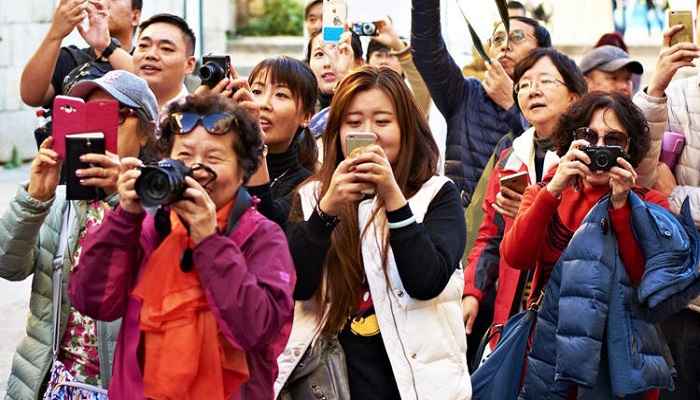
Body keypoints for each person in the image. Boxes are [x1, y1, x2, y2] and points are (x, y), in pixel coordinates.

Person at [68, 95, 296, 400]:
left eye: (214, 159)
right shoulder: (149, 227)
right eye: (184, 157)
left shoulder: (263, 237)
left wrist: (209, 242)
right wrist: (125, 217)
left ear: (244, 172)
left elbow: (258, 331)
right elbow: (93, 302)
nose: (196, 170)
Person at [277, 66, 470, 399]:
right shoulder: (312, 197)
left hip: (418, 386)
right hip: (335, 382)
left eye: (382, 122)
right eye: (354, 123)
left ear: (407, 128)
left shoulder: (437, 194)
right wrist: (326, 211)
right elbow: (297, 285)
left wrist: (393, 197)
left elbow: (426, 281)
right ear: (336, 132)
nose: (369, 133)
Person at [502, 92, 674, 399]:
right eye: (588, 136)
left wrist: (622, 207)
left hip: (620, 361)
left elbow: (648, 283)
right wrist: (553, 189)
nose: (598, 148)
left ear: (629, 147)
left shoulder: (650, 204)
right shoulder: (545, 192)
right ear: (570, 142)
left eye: (613, 140)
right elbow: (516, 256)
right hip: (551, 354)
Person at [0, 70, 158, 400]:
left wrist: (122, 194)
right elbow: (8, 265)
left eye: (115, 116)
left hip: (121, 387)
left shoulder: (159, 209)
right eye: (87, 116)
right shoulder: (61, 203)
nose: (99, 130)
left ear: (147, 133)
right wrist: (34, 199)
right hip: (50, 382)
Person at [462, 49, 587, 351]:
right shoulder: (510, 153)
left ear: (573, 96)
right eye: (525, 84)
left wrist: (531, 216)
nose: (533, 91)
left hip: (569, 305)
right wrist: (472, 292)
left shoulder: (585, 152)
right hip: (513, 305)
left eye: (545, 81)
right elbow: (490, 234)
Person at [412, 0, 552, 206]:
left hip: (524, 222)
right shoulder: (466, 93)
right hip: (468, 225)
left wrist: (512, 105)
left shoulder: (555, 99)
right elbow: (427, 51)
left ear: (542, 51)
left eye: (517, 37)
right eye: (498, 39)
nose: (505, 45)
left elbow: (548, 156)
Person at [632, 25, 700, 400]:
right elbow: (641, 180)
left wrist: (677, 198)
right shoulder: (676, 94)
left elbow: (664, 194)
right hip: (683, 296)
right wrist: (654, 90)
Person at [20, 0, 142, 108]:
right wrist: (55, 34)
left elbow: (149, 91)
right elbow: (32, 97)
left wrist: (107, 47)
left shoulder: (146, 61)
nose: (103, 3)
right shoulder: (70, 58)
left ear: (135, 17)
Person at [246, 56, 319, 228]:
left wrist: (254, 142)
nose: (263, 104)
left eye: (281, 94)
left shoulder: (310, 187)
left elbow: (264, 227)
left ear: (306, 116)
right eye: (256, 92)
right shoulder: (225, 167)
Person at [365, 18, 432, 116]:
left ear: (402, 65)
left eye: (390, 56)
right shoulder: (359, 95)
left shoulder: (409, 102)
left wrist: (398, 47)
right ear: (367, 62)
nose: (384, 62)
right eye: (378, 55)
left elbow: (422, 88)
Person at [133, 13, 197, 108]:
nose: (151, 55)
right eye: (143, 45)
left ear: (189, 64)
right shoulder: (118, 110)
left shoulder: (203, 118)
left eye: (166, 49)